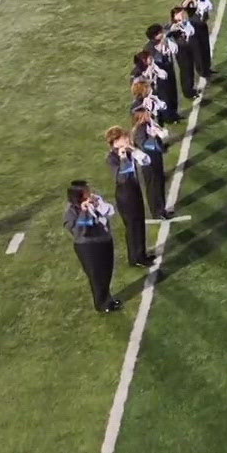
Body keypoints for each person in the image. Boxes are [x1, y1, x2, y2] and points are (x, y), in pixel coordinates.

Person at [64, 181, 122, 314]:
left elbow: (110, 211)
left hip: (104, 240)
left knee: (107, 272)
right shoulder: (71, 212)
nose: (90, 192)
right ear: (79, 195)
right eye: (86, 190)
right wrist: (84, 212)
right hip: (88, 247)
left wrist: (97, 204)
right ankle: (101, 304)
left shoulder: (94, 200)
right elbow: (80, 231)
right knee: (97, 275)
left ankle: (108, 298)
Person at [106, 126, 152, 267]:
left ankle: (142, 254)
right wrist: (123, 158)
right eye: (124, 137)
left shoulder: (130, 150)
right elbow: (121, 178)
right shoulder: (112, 158)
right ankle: (135, 258)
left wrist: (133, 150)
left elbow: (146, 161)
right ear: (116, 140)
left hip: (135, 190)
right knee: (132, 226)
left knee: (139, 223)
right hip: (125, 195)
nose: (128, 139)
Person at [132, 108, 170, 219]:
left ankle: (162, 209)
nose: (150, 114)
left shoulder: (149, 124)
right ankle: (157, 212)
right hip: (149, 162)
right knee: (153, 187)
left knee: (159, 183)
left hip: (156, 157)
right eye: (147, 113)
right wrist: (153, 137)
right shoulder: (140, 129)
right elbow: (143, 145)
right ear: (141, 117)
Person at [181, 0, 215, 81]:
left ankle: (207, 68)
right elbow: (184, 7)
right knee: (198, 50)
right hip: (194, 29)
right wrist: (192, 0)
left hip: (202, 26)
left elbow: (209, 8)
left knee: (206, 48)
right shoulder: (189, 1)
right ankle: (202, 71)